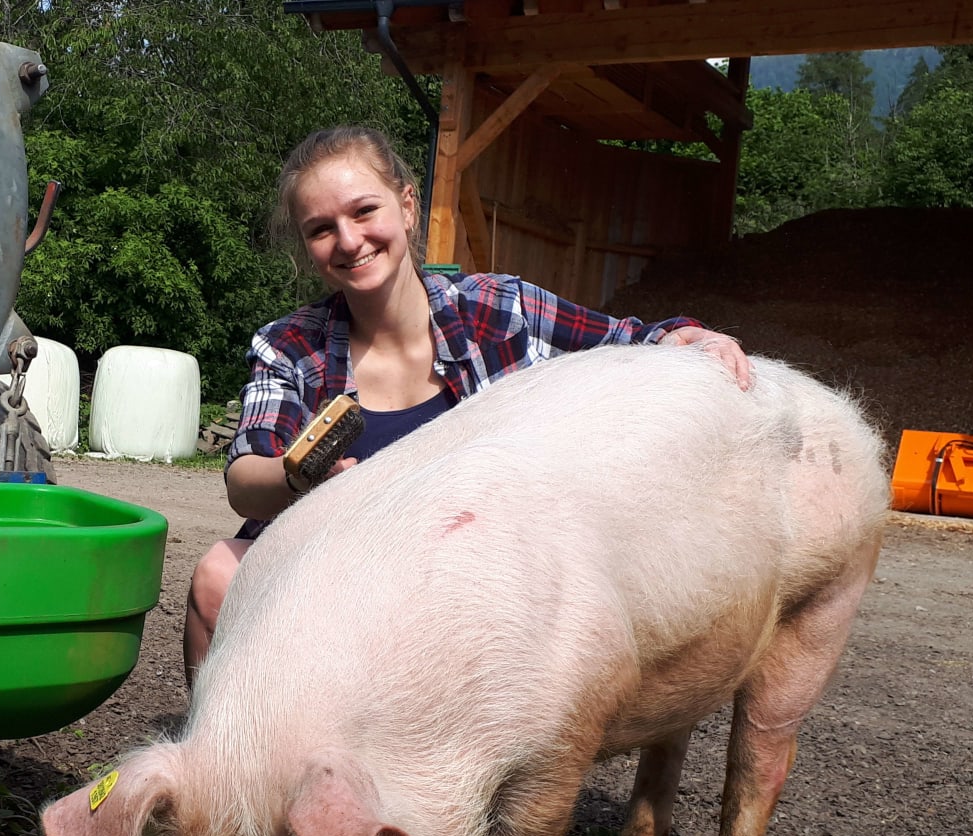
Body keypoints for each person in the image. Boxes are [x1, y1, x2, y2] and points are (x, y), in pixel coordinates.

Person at [182, 125, 752, 683]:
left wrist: (688, 336)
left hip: (467, 589)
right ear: (309, 249)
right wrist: (301, 476)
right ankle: (225, 746)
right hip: (332, 578)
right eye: (322, 229)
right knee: (217, 574)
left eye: (364, 211)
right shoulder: (289, 345)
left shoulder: (501, 311)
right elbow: (244, 479)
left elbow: (628, 342)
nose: (349, 241)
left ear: (408, 206)